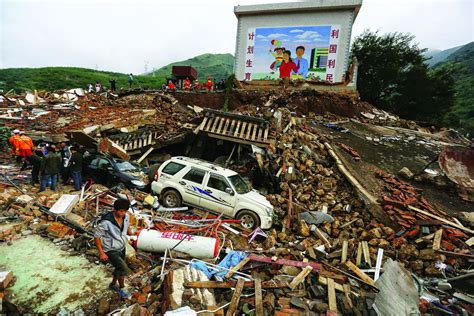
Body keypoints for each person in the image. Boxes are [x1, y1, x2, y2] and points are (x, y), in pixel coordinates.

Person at [95, 198, 132, 298]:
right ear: (115, 210)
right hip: (110, 249)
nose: (123, 213)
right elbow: (97, 236)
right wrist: (102, 253)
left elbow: (127, 226)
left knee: (119, 268)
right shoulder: (106, 222)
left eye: (125, 211)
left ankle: (112, 284)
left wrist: (130, 234)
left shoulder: (126, 216)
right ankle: (122, 288)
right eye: (121, 211)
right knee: (123, 268)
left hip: (122, 246)